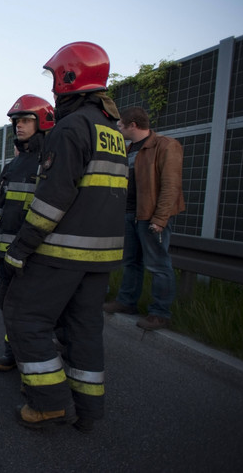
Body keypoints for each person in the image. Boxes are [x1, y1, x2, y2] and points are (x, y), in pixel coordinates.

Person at [1, 42, 127, 431]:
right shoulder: (112, 131)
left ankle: (49, 402)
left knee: (23, 317)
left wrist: (21, 248)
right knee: (83, 329)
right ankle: (88, 411)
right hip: (100, 257)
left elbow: (54, 198)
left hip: (62, 252)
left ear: (69, 78)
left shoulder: (72, 128)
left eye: (56, 78)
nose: (54, 86)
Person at [103, 106, 185, 330]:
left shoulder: (166, 146)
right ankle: (127, 302)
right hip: (130, 214)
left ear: (133, 125)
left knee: (158, 264)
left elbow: (171, 185)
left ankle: (160, 313)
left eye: (120, 125)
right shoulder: (128, 149)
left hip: (151, 216)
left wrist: (160, 218)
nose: (118, 129)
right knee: (131, 262)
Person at [0, 95, 55, 372]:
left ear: (41, 123)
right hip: (7, 254)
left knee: (30, 313)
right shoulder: (13, 165)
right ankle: (13, 352)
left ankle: (36, 360)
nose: (19, 126)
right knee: (8, 307)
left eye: (26, 120)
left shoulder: (50, 161)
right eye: (17, 121)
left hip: (35, 254)